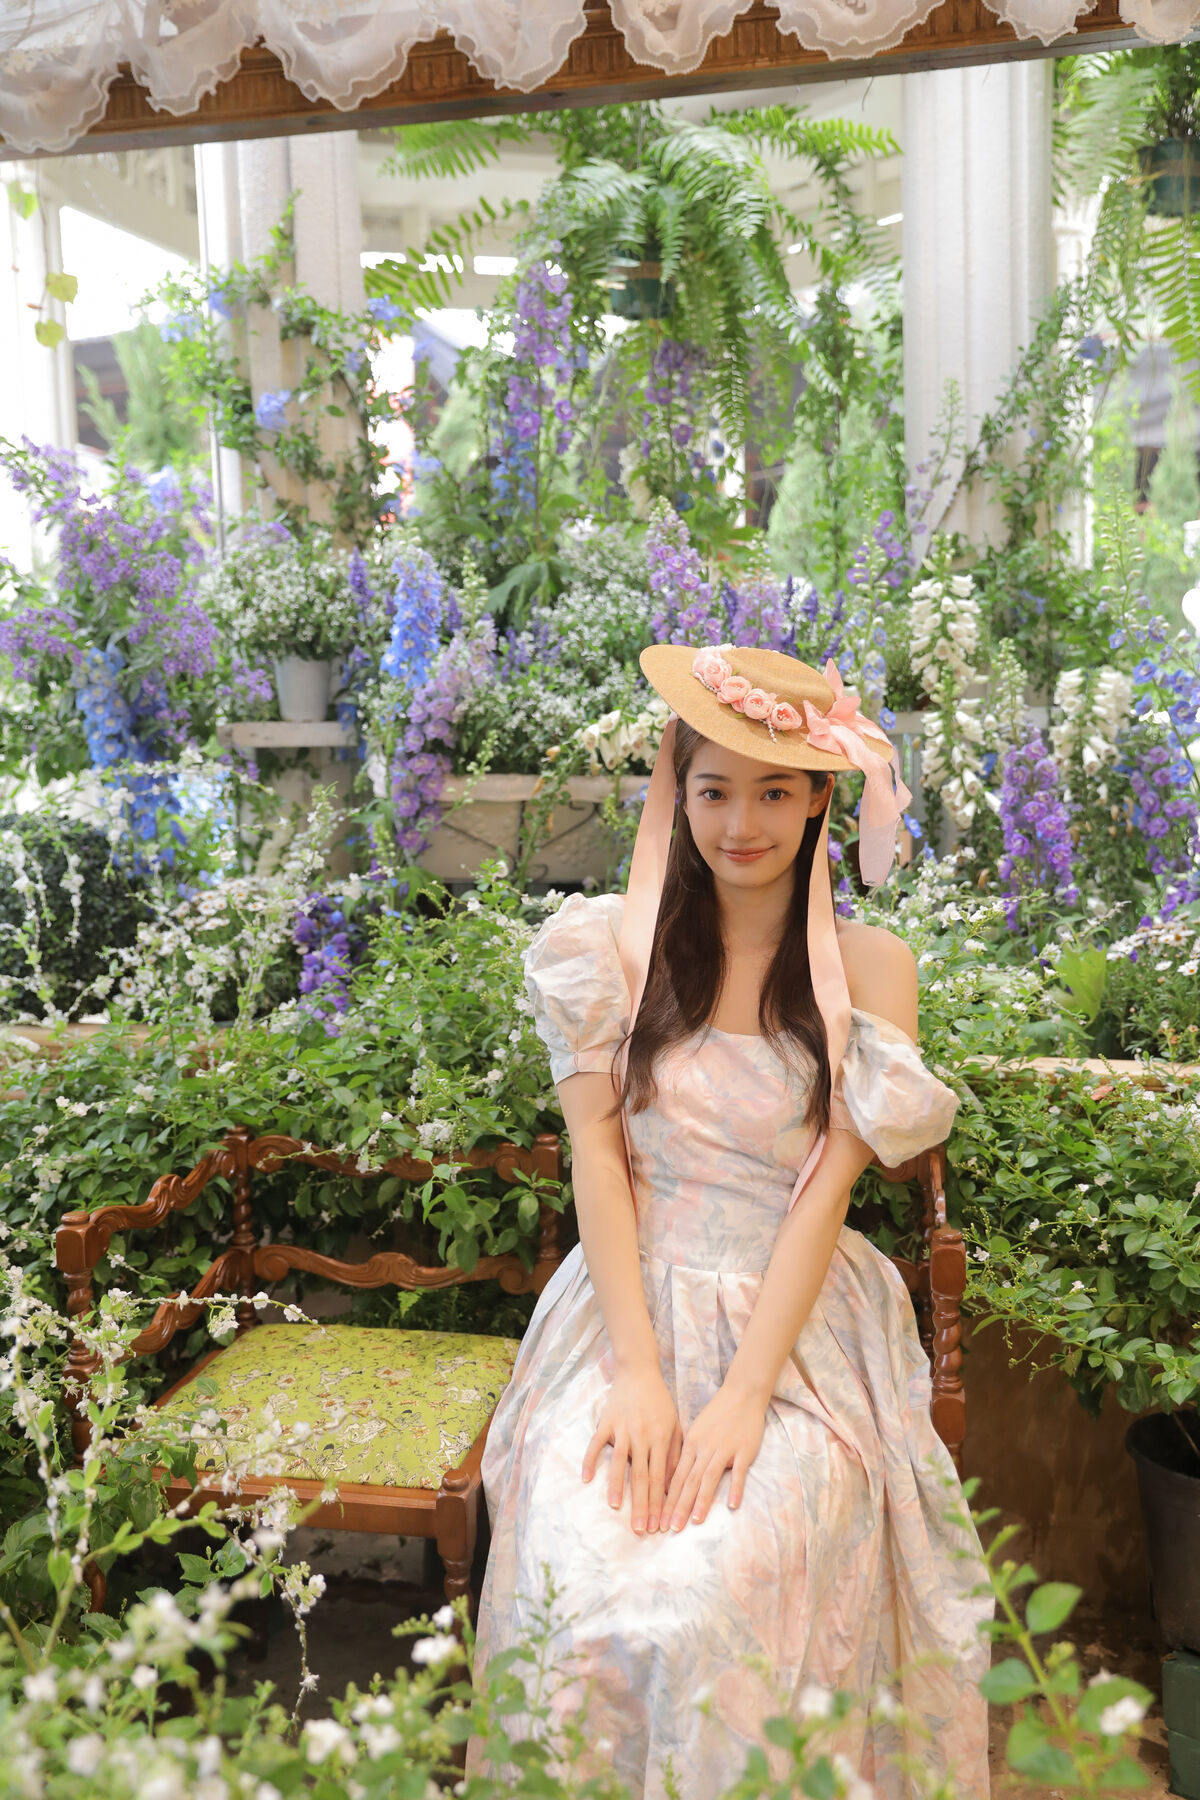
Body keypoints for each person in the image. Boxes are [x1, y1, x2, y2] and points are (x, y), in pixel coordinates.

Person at [470, 644, 992, 1799]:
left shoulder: (870, 969)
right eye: (714, 791)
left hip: (795, 1331)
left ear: (817, 801)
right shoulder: (610, 951)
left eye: (773, 792)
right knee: (578, 1570)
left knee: (709, 1591)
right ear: (677, 794)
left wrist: (747, 1396)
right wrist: (638, 1375)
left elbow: (826, 1193)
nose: (741, 824)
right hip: (624, 1312)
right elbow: (600, 1161)